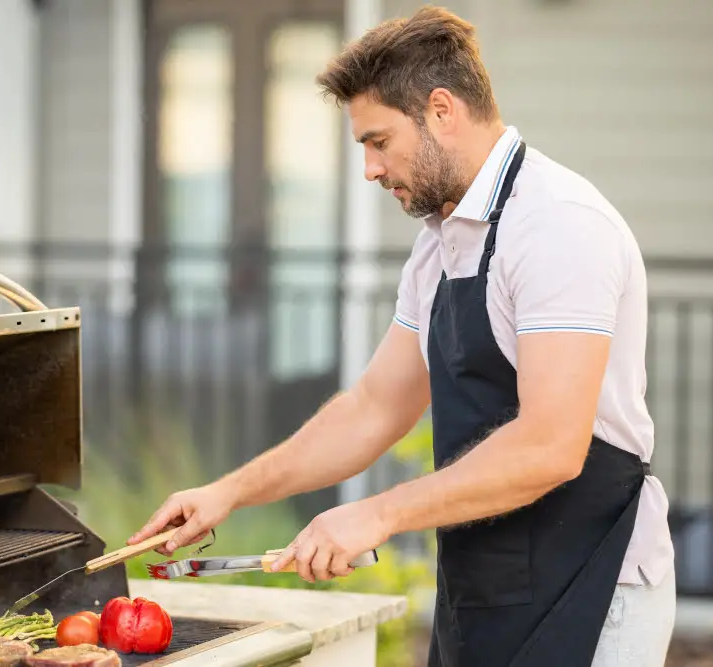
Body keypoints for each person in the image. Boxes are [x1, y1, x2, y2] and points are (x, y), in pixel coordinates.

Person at [129, 6, 676, 666]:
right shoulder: (437, 247)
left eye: (378, 140)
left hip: (593, 589)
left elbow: (551, 445)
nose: (368, 168)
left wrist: (377, 513)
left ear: (441, 111)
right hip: (486, 583)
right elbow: (373, 407)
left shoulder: (557, 224)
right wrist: (229, 493)